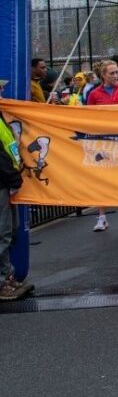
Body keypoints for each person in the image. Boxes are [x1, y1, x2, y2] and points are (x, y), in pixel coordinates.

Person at [86, 58, 118, 232]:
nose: (116, 75)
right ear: (103, 75)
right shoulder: (94, 94)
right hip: (102, 141)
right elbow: (89, 117)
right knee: (101, 179)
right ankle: (102, 217)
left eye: (117, 72)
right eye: (112, 73)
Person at [0, 117, 30, 301]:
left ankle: (7, 277)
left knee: (10, 231)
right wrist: (13, 178)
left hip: (5, 181)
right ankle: (2, 283)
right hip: (2, 182)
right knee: (3, 233)